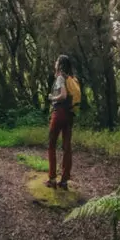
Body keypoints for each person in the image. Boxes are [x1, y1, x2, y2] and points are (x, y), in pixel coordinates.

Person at [47, 55, 76, 189]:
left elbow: (63, 95)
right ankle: (64, 180)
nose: (55, 63)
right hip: (70, 115)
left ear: (60, 65)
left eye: (56, 61)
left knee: (51, 145)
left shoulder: (60, 77)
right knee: (67, 147)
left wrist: (53, 97)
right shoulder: (72, 79)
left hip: (59, 114)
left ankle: (52, 179)